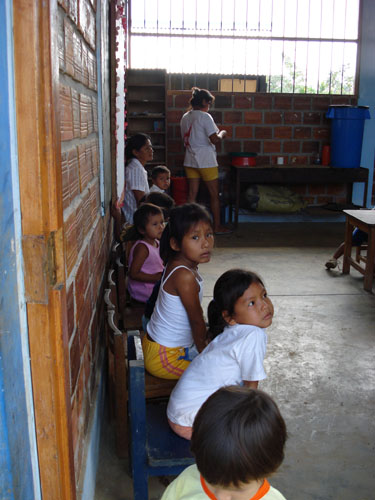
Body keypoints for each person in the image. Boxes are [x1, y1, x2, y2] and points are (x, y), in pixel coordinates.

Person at [167, 269, 273, 440]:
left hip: (179, 413)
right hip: (193, 423)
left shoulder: (231, 331)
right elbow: (251, 388)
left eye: (264, 295)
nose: (264, 305)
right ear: (230, 317)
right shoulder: (253, 335)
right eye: (252, 303)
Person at [162, 386, 287, 500]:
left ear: (269, 469)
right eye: (212, 483)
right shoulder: (187, 480)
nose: (221, 497)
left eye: (238, 490)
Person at [142, 203, 214, 380]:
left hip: (162, 347)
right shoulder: (184, 276)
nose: (205, 243)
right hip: (165, 358)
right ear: (175, 244)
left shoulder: (179, 265)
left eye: (209, 234)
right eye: (195, 237)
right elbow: (197, 321)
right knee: (219, 374)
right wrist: (207, 356)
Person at [180, 87, 231, 235]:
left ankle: (188, 228)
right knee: (214, 195)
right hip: (206, 161)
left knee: (191, 196)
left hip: (190, 159)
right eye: (209, 104)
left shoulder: (185, 117)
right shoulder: (205, 117)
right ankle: (217, 227)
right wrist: (222, 133)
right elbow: (214, 139)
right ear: (203, 102)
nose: (209, 107)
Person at [127, 203, 164, 304]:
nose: (161, 227)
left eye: (162, 222)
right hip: (144, 293)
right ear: (142, 229)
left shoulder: (157, 243)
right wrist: (155, 278)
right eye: (155, 224)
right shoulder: (142, 248)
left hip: (155, 287)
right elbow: (133, 274)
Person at [122, 133, 153, 224]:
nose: (151, 150)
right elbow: (141, 201)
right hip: (134, 222)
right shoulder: (135, 169)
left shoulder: (137, 167)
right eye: (147, 148)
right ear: (135, 152)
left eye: (151, 147)